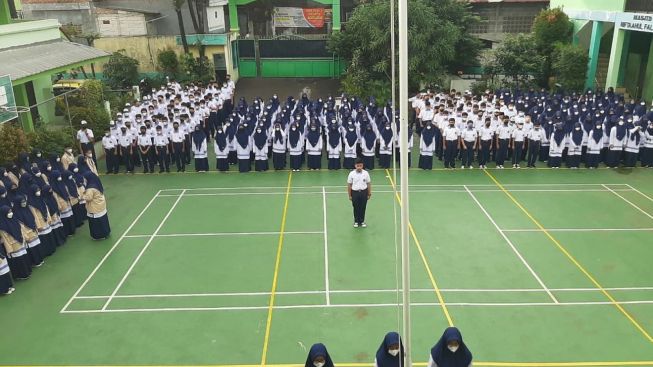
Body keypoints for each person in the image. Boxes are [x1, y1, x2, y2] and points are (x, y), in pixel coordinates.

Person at [11, 195, 45, 267]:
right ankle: (35, 262)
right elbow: (20, 227)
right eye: (22, 202)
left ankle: (40, 259)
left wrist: (36, 227)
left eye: (24, 201)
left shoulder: (27, 209)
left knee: (37, 246)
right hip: (27, 235)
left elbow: (33, 218)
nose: (24, 203)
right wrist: (26, 237)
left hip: (33, 231)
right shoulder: (16, 214)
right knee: (32, 249)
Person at [0, 206, 32, 280]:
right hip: (13, 247)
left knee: (24, 257)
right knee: (18, 261)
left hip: (20, 243)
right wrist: (9, 249)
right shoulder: (2, 226)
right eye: (8, 212)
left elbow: (21, 229)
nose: (10, 213)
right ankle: (21, 275)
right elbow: (5, 239)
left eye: (10, 211)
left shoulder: (14, 220)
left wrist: (25, 238)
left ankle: (28, 271)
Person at [82, 172, 110, 240]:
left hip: (94, 207)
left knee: (96, 223)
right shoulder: (97, 183)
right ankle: (106, 232)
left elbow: (89, 198)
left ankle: (99, 236)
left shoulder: (90, 188)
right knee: (103, 220)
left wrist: (82, 196)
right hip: (100, 205)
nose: (84, 180)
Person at [347, 158, 372, 228]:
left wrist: (369, 193)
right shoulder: (351, 174)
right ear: (355, 166)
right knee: (355, 207)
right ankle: (356, 221)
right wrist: (349, 195)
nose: (359, 167)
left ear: (362, 165)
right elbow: (349, 185)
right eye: (358, 166)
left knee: (363, 207)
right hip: (355, 192)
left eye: (360, 166)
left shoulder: (366, 173)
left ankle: (362, 221)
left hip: (364, 192)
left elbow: (368, 183)